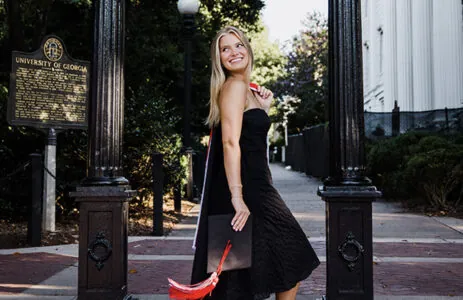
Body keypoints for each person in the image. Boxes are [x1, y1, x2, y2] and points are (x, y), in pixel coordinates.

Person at [191, 25, 320, 300]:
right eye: (225, 49)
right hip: (249, 190)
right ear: (219, 58)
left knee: (263, 269)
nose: (233, 52)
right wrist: (238, 197)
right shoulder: (234, 86)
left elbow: (251, 140)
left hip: (258, 187)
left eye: (238, 45)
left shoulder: (246, 89)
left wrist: (264, 110)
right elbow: (230, 143)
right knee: (289, 259)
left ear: (248, 49)